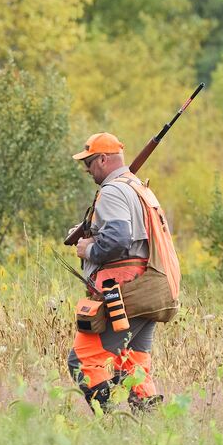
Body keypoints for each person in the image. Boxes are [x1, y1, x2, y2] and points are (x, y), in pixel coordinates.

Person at [64, 132, 164, 412]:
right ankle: (146, 423)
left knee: (82, 361)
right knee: (133, 361)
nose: (87, 169)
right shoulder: (139, 188)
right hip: (149, 288)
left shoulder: (112, 191)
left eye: (89, 162)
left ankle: (109, 421)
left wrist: (88, 250)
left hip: (121, 292)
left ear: (103, 159)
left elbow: (119, 237)